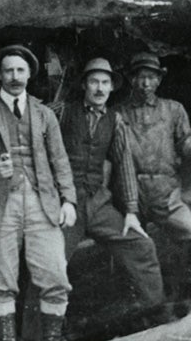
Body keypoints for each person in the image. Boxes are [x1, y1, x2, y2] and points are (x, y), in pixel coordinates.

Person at [0, 44, 77, 341]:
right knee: (1, 279)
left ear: (29, 74)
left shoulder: (44, 114)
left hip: (42, 201)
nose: (14, 76)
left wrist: (69, 200)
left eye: (20, 70)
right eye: (8, 70)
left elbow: (60, 160)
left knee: (54, 273)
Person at [58, 58, 163, 319]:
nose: (99, 89)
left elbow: (124, 163)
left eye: (105, 83)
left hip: (98, 204)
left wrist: (130, 211)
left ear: (112, 88)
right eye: (94, 81)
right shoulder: (62, 113)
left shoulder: (114, 120)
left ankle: (156, 313)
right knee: (49, 264)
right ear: (84, 84)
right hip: (65, 204)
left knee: (142, 246)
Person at [119, 52, 191, 240]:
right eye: (141, 77)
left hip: (166, 193)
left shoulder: (174, 109)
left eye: (151, 77)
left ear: (159, 79)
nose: (146, 84)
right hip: (130, 195)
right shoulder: (118, 113)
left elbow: (188, 146)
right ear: (131, 79)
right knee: (132, 246)